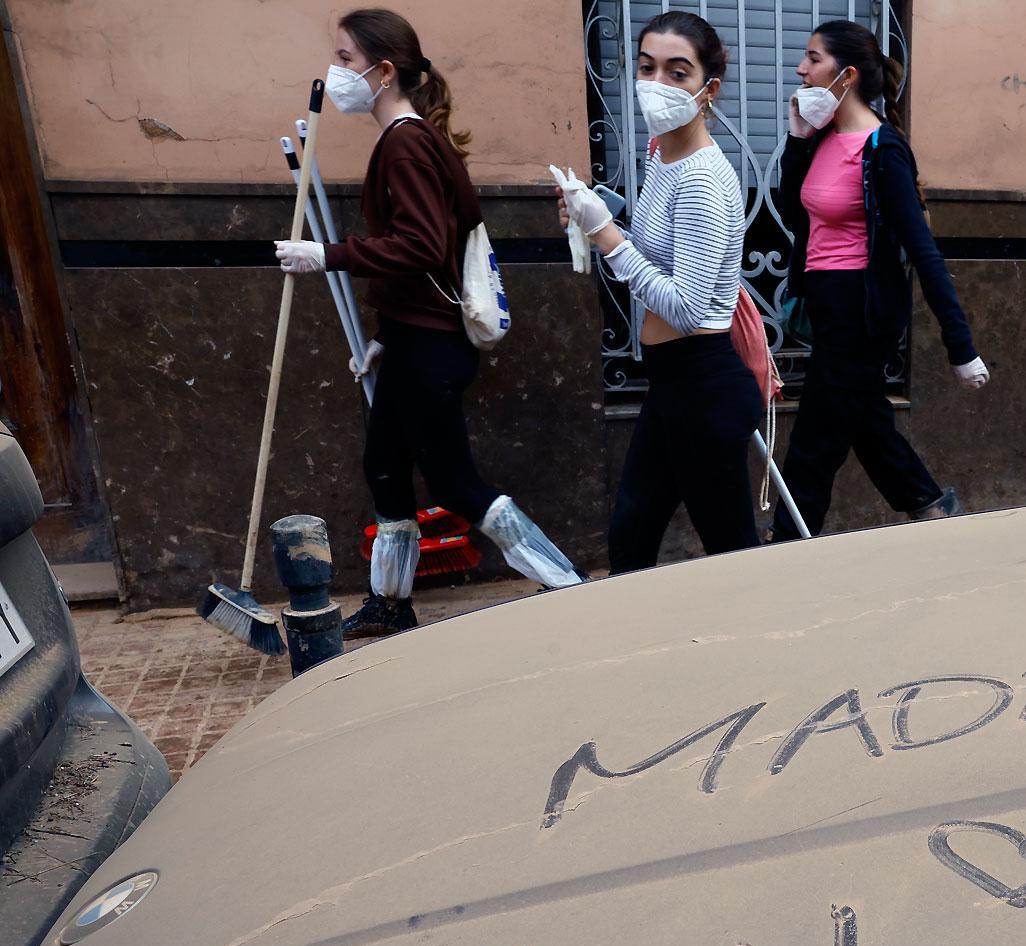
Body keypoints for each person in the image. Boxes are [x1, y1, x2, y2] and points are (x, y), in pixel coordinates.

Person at [275, 7, 581, 638]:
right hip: (417, 340)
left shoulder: (406, 145)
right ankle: (392, 602)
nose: (336, 71)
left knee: (454, 481)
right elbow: (428, 257)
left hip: (432, 348)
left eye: (346, 60)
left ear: (384, 72)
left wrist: (326, 255)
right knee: (384, 464)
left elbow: (420, 246)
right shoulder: (409, 140)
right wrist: (387, 337)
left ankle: (564, 583)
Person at [768, 20, 990, 542]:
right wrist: (797, 140)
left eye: (813, 58)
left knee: (814, 441)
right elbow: (796, 214)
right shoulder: (824, 138)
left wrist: (960, 345)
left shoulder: (882, 149)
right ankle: (933, 510)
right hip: (825, 305)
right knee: (864, 421)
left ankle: (785, 548)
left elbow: (922, 250)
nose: (801, 69)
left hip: (860, 312)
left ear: (845, 75)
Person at [557, 11, 759, 574]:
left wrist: (607, 237)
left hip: (704, 385)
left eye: (678, 72)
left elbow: (686, 307)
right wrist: (595, 215)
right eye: (647, 68)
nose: (657, 84)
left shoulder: (700, 178)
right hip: (672, 384)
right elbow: (657, 250)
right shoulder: (660, 155)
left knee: (733, 559)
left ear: (708, 88)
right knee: (631, 539)